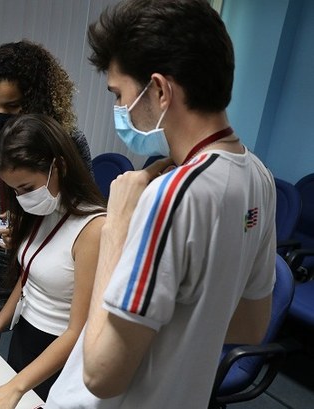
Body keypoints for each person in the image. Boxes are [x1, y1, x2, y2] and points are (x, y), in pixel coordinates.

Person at [45, 1, 277, 408]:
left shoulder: (170, 196)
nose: (119, 109)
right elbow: (251, 324)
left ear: (159, 90)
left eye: (120, 94)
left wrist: (116, 226)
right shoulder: (258, 176)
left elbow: (101, 375)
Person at [0, 114, 105, 406]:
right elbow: (29, 275)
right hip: (26, 336)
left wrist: (16, 387)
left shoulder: (94, 229)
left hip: (62, 354)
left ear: (58, 166)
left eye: (25, 187)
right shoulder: (42, 210)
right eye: (13, 189)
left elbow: (79, 331)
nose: (20, 197)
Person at [0, 40, 94, 349]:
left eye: (11, 107)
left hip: (44, 265)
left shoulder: (66, 141)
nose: (0, 114)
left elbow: (82, 210)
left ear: (33, 98)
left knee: (31, 352)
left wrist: (25, 233)